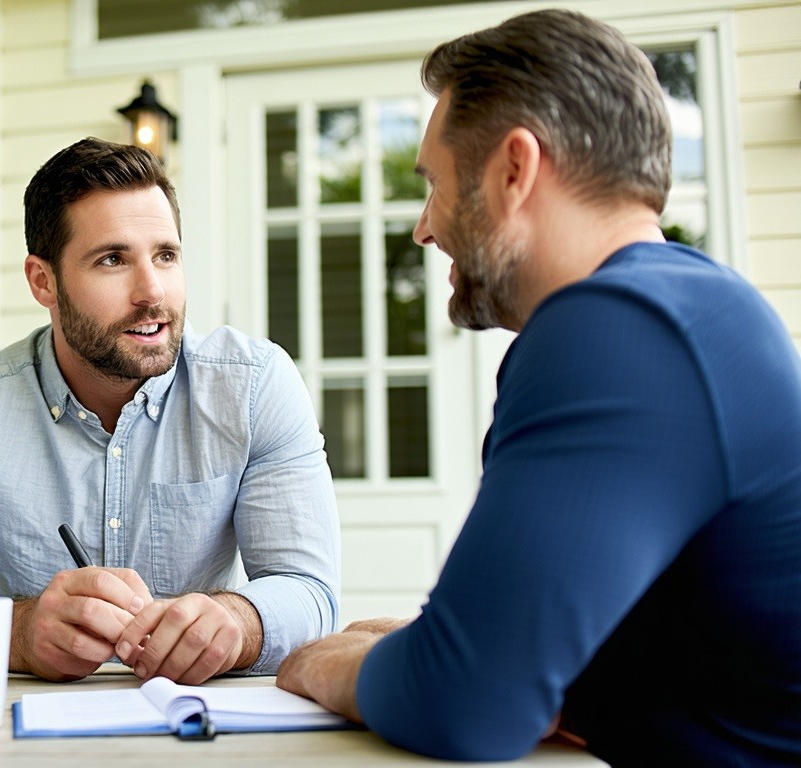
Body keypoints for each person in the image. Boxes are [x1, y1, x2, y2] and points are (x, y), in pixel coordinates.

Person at [275, 8, 801, 766]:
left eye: (435, 183)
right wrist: (433, 651)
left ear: (514, 170)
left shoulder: (622, 329)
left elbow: (463, 702)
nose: (424, 228)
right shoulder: (687, 306)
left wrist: (324, 664)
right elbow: (547, 660)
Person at [0, 137, 340, 684]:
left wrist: (238, 620)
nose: (152, 292)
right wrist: (17, 635)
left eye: (166, 256)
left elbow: (310, 594)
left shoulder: (254, 386)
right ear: (43, 281)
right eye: (113, 260)